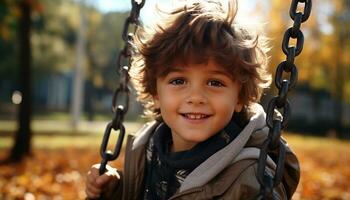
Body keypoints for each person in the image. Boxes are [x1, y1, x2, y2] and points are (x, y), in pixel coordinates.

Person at [85, 0, 300, 199]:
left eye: (215, 83)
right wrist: (116, 190)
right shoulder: (148, 148)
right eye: (178, 81)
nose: (196, 97)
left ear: (239, 98)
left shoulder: (251, 178)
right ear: (156, 93)